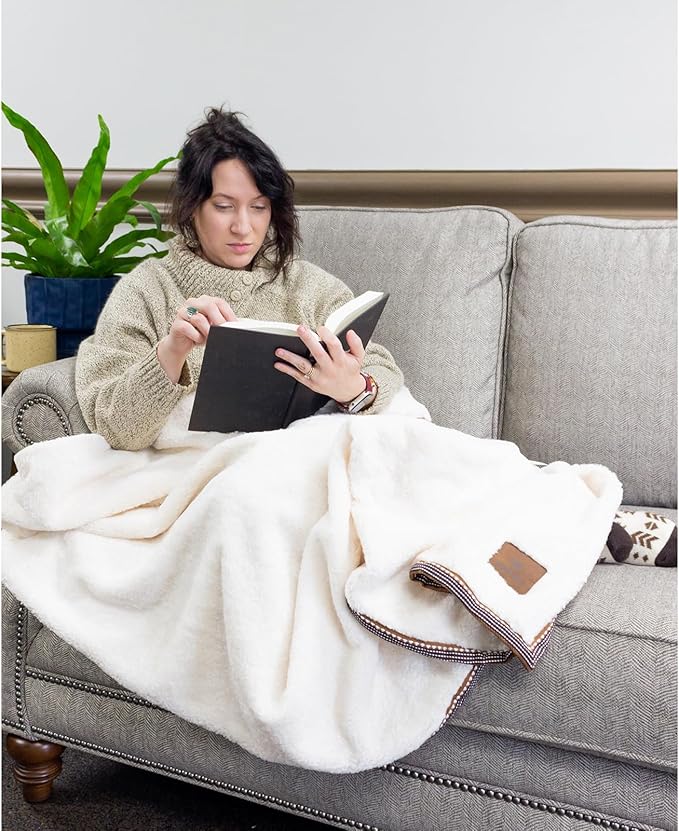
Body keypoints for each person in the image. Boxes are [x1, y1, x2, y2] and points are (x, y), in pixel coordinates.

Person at [75, 108, 403, 450]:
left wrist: (353, 388)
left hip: (301, 463)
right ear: (192, 207)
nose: (243, 227)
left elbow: (382, 368)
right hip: (196, 472)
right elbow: (116, 429)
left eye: (259, 207)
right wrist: (172, 351)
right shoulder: (145, 291)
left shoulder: (310, 287)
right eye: (223, 206)